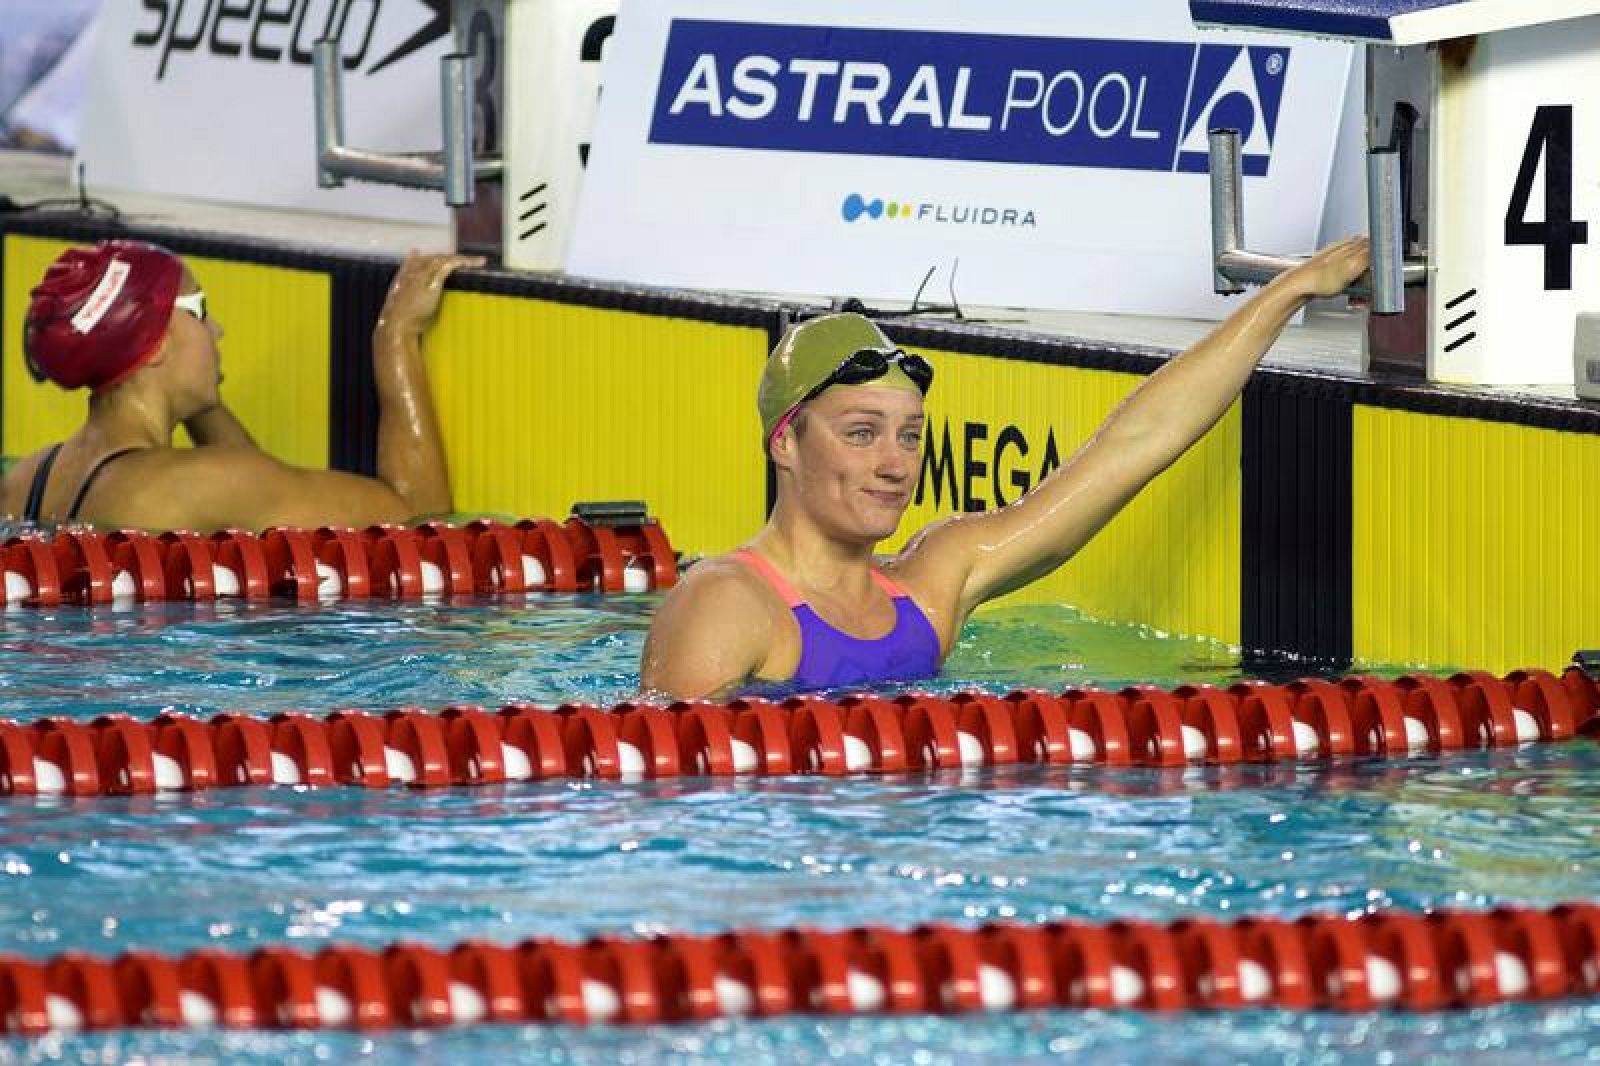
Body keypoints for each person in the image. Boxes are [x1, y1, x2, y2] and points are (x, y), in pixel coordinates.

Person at [640, 237, 1372, 699]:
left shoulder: (931, 586)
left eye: (909, 436)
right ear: (786, 445)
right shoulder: (729, 605)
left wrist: (1292, 290)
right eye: (861, 434)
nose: (895, 464)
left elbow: (1136, 443)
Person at [0, 240, 478, 532]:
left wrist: (186, 396)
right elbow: (417, 516)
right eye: (200, 312)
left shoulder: (29, 477)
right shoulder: (198, 483)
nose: (217, 331)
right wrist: (395, 333)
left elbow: (257, 510)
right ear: (158, 344)